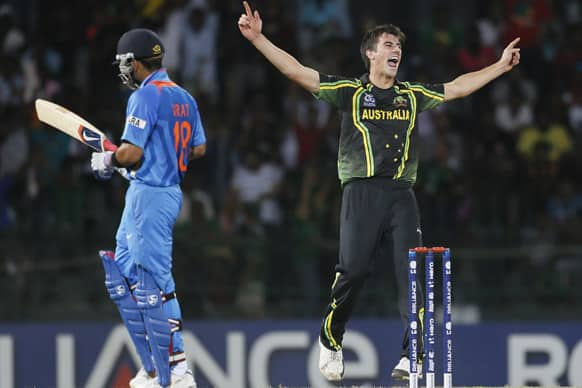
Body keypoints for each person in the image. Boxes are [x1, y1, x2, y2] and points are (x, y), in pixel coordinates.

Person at [238, 1, 520, 382]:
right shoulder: (349, 92)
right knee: (352, 271)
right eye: (388, 44)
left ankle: (412, 356)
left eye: (398, 46)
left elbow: (456, 88)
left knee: (413, 274)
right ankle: (331, 338)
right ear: (370, 53)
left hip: (402, 195)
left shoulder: (411, 95)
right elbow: (298, 72)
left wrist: (500, 66)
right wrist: (258, 39)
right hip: (361, 192)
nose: (396, 51)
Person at [91, 28, 206, 388]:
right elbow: (198, 148)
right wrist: (163, 157)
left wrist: (109, 159)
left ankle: (179, 367)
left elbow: (131, 153)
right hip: (156, 191)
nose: (123, 70)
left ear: (135, 62)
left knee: (155, 282)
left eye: (124, 63)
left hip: (151, 196)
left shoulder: (145, 96)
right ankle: (154, 366)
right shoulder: (184, 96)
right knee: (124, 274)